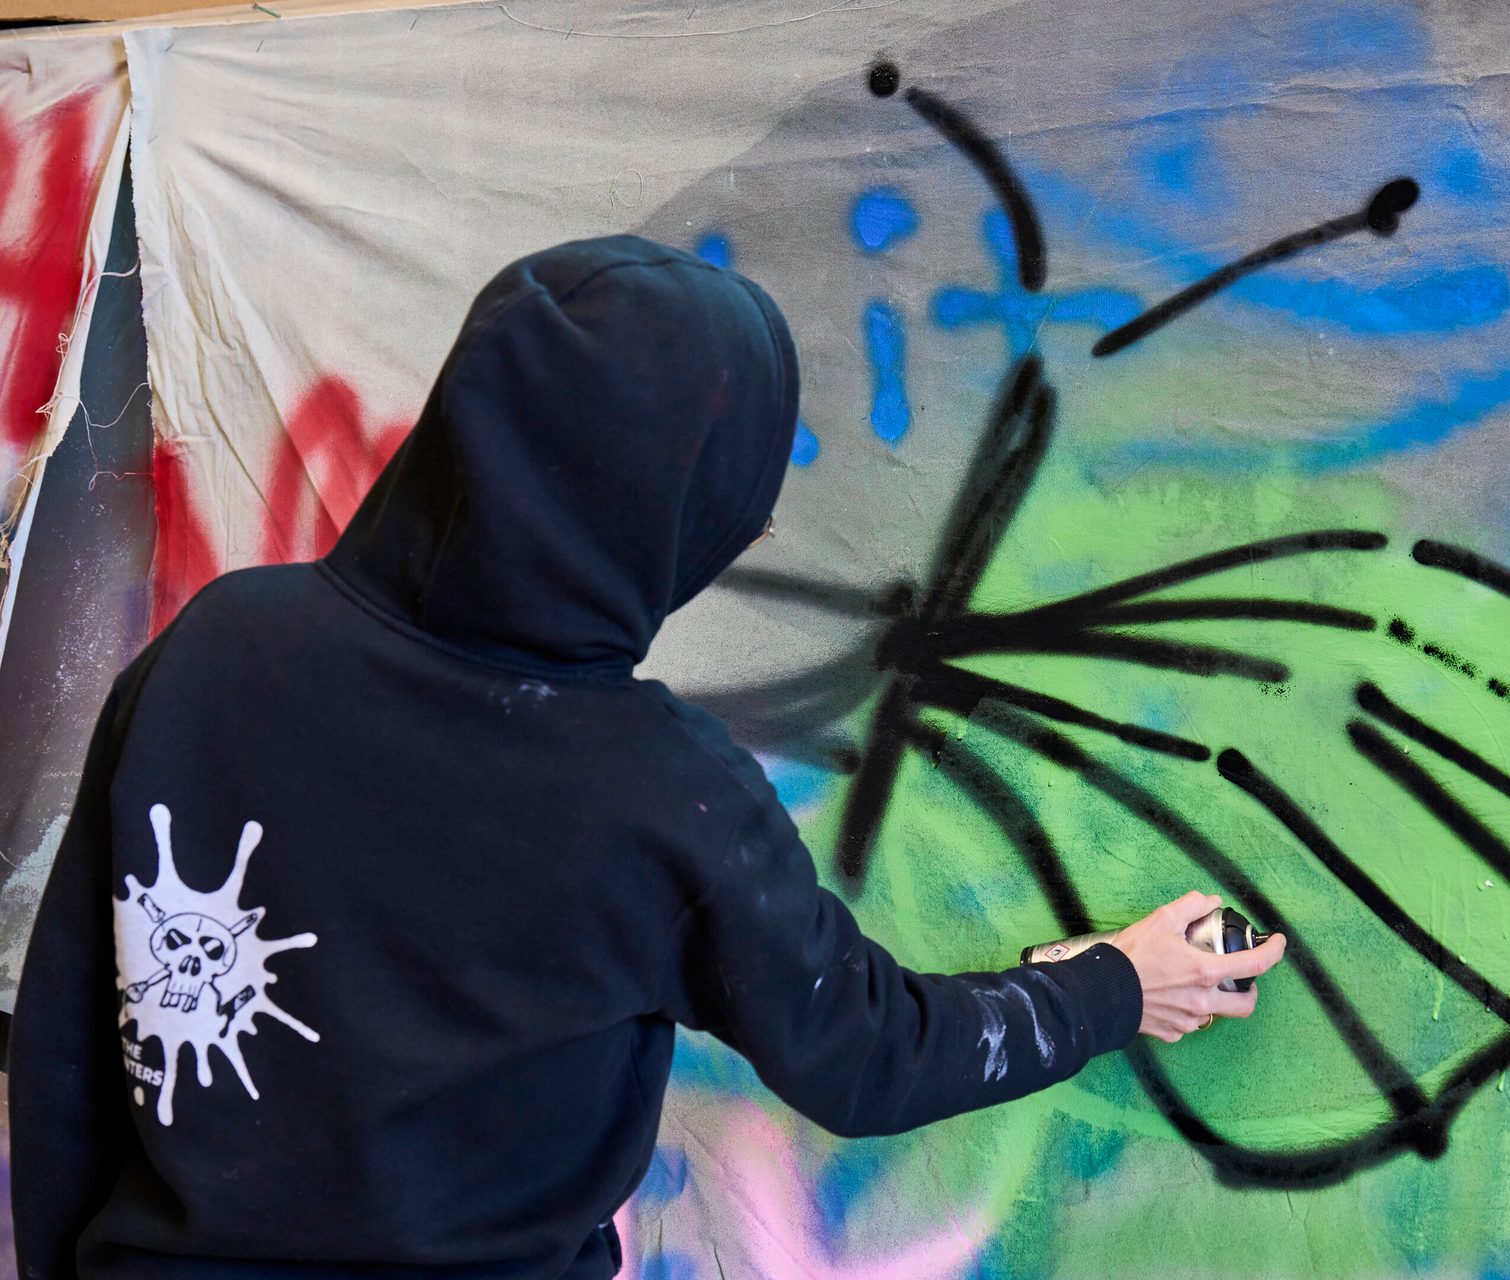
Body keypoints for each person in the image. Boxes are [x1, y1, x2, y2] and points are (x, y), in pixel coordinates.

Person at [10, 236, 1285, 1278]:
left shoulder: (216, 649)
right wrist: (1114, 985)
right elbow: (866, 1052)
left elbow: (66, 1034)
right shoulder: (660, 789)